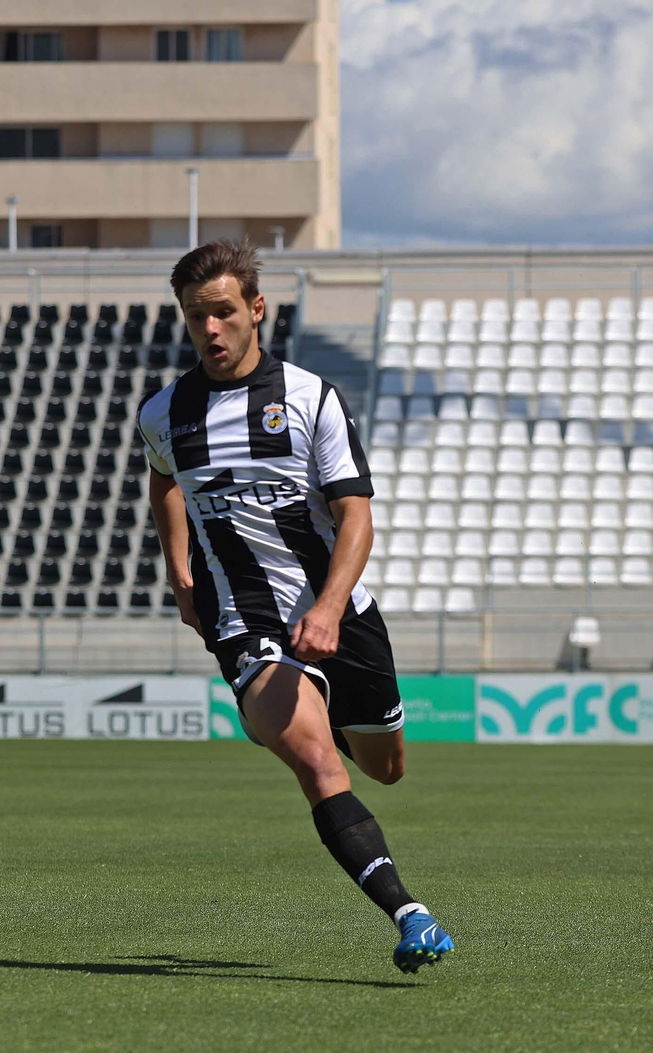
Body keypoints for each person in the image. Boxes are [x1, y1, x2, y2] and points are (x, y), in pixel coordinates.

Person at [137, 240, 454, 973]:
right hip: (243, 619)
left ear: (256, 310)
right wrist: (181, 574)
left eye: (221, 312)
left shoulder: (311, 399)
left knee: (387, 766)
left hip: (339, 614)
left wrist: (330, 608)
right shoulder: (166, 412)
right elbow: (164, 482)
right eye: (195, 318)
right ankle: (411, 915)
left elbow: (356, 516)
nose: (209, 329)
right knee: (316, 762)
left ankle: (305, 705)